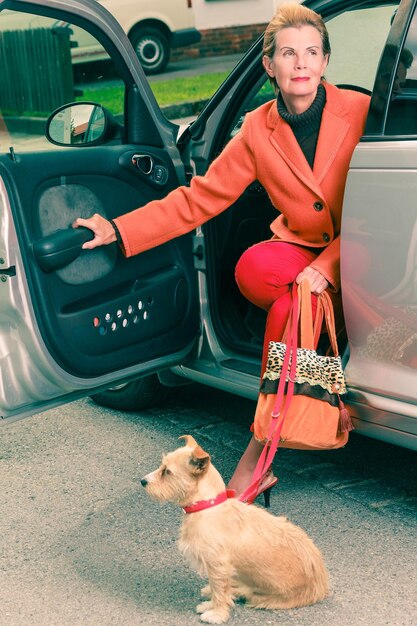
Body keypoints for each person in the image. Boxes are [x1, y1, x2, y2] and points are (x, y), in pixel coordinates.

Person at [73, 4, 370, 504]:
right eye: (288, 53)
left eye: (312, 52)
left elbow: (376, 213)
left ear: (325, 62)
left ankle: (258, 458)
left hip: (360, 255)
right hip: (296, 256)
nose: (301, 63)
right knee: (257, 270)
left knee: (287, 306)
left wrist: (326, 267)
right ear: (269, 66)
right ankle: (315, 392)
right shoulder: (257, 128)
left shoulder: (360, 113)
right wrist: (119, 230)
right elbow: (198, 199)